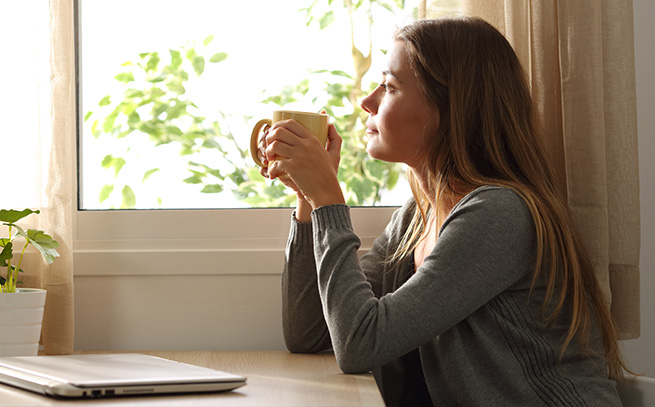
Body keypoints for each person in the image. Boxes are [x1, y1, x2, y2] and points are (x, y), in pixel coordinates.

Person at [258, 16, 626, 406]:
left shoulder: (499, 214)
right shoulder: (418, 216)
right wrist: (307, 199)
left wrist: (329, 201)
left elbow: (359, 345)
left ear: (449, 109)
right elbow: (309, 333)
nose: (366, 103)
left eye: (389, 87)